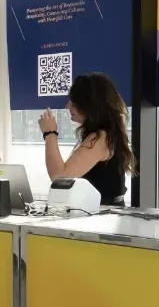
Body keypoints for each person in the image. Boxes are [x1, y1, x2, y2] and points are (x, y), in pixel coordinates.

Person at [38, 72, 133, 207]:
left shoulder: (100, 138)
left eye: (74, 103)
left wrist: (50, 134)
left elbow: (60, 177)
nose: (67, 107)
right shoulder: (104, 134)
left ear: (90, 106)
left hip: (102, 216)